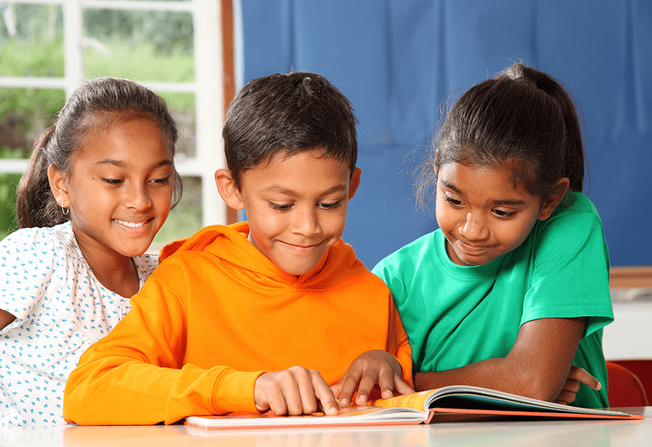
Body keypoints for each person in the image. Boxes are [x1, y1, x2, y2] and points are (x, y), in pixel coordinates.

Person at [63, 72, 414, 426]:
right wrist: (249, 387)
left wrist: (386, 366)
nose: (307, 228)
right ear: (231, 189)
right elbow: (88, 389)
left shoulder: (371, 292)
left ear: (351, 186)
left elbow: (402, 409)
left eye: (329, 203)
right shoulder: (187, 282)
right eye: (280, 205)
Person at [373, 62, 613, 409]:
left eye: (502, 212)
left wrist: (406, 387)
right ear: (438, 168)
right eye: (454, 200)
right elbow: (361, 395)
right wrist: (507, 390)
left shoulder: (571, 223)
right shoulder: (393, 278)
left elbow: (531, 382)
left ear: (550, 201)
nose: (472, 229)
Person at [0, 77, 182, 427]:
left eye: (159, 179)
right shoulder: (39, 256)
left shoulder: (166, 280)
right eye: (113, 180)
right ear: (62, 185)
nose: (140, 200)